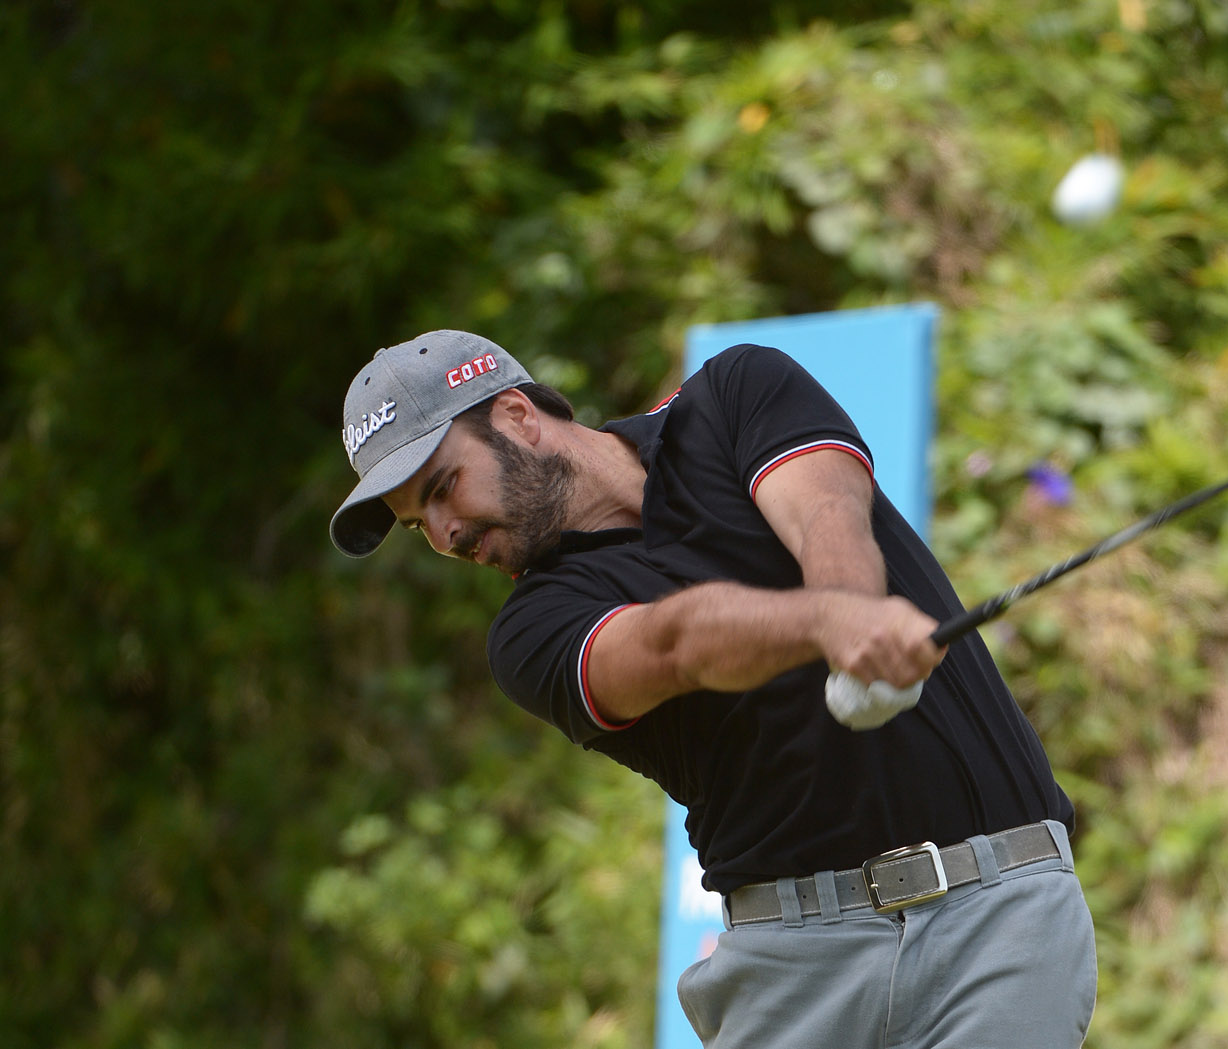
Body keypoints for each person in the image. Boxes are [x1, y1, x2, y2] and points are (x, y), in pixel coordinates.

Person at [329, 329, 1097, 1048]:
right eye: (417, 523)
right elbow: (674, 645)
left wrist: (851, 612)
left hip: (998, 918)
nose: (445, 533)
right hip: (794, 968)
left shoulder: (734, 395)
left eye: (444, 487)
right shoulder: (529, 633)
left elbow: (828, 510)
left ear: (517, 417)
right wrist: (827, 624)